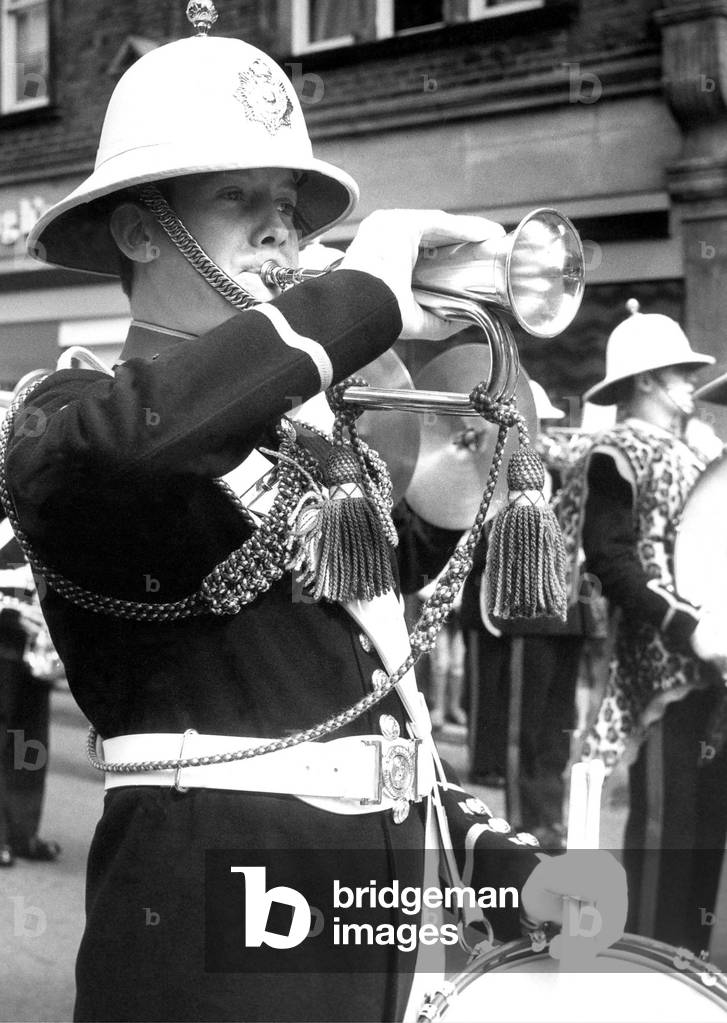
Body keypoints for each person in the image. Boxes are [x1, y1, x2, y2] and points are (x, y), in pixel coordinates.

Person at [1, 10, 626, 1022]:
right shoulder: (63, 413)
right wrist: (357, 299)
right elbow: (143, 446)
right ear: (138, 226)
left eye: (287, 203)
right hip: (203, 935)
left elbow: (362, 690)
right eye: (238, 198)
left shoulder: (309, 447)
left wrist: (466, 344)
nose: (280, 229)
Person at [570, 299, 727, 951]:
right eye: (679, 374)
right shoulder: (615, 450)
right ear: (645, 382)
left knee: (703, 816)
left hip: (709, 659)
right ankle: (650, 960)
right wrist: (680, 619)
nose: (690, 385)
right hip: (661, 657)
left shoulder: (696, 455)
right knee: (665, 819)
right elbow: (609, 554)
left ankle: (687, 953)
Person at [461, 379, 585, 848]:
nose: (545, 431)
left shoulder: (563, 468)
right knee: (523, 727)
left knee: (556, 729)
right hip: (526, 612)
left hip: (570, 612)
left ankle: (550, 818)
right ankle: (523, 824)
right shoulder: (495, 474)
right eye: (538, 423)